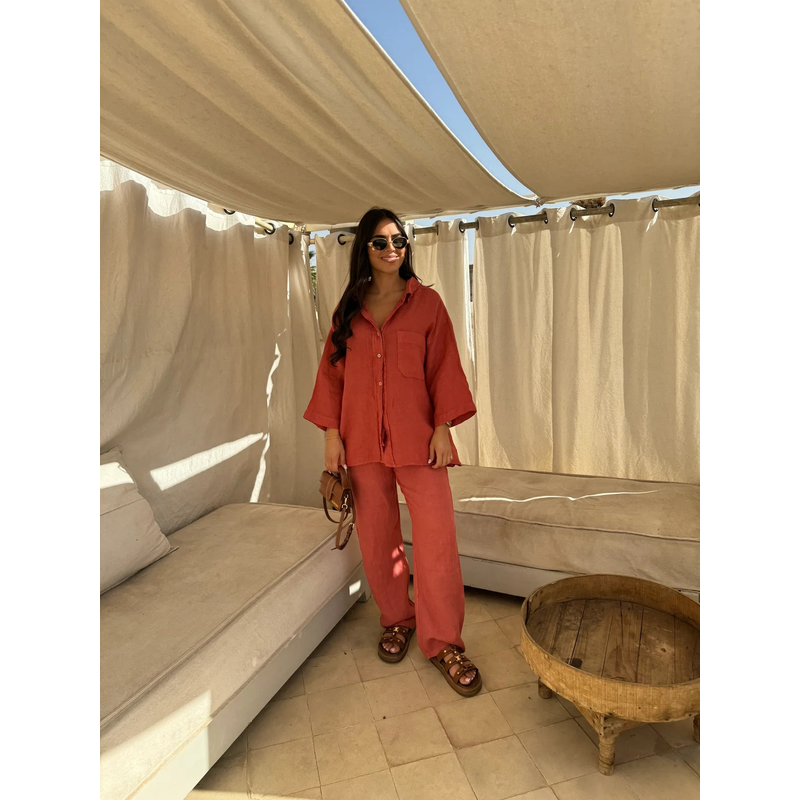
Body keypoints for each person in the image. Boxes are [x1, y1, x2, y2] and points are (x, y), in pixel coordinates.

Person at [304, 207, 481, 695]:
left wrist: (443, 428)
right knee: (378, 539)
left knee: (437, 540)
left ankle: (443, 641)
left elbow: (444, 367)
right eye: (380, 242)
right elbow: (332, 378)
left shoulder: (428, 305)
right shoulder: (348, 311)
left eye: (398, 241)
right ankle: (397, 618)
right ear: (364, 248)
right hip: (360, 441)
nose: (391, 249)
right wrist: (331, 436)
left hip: (419, 440)